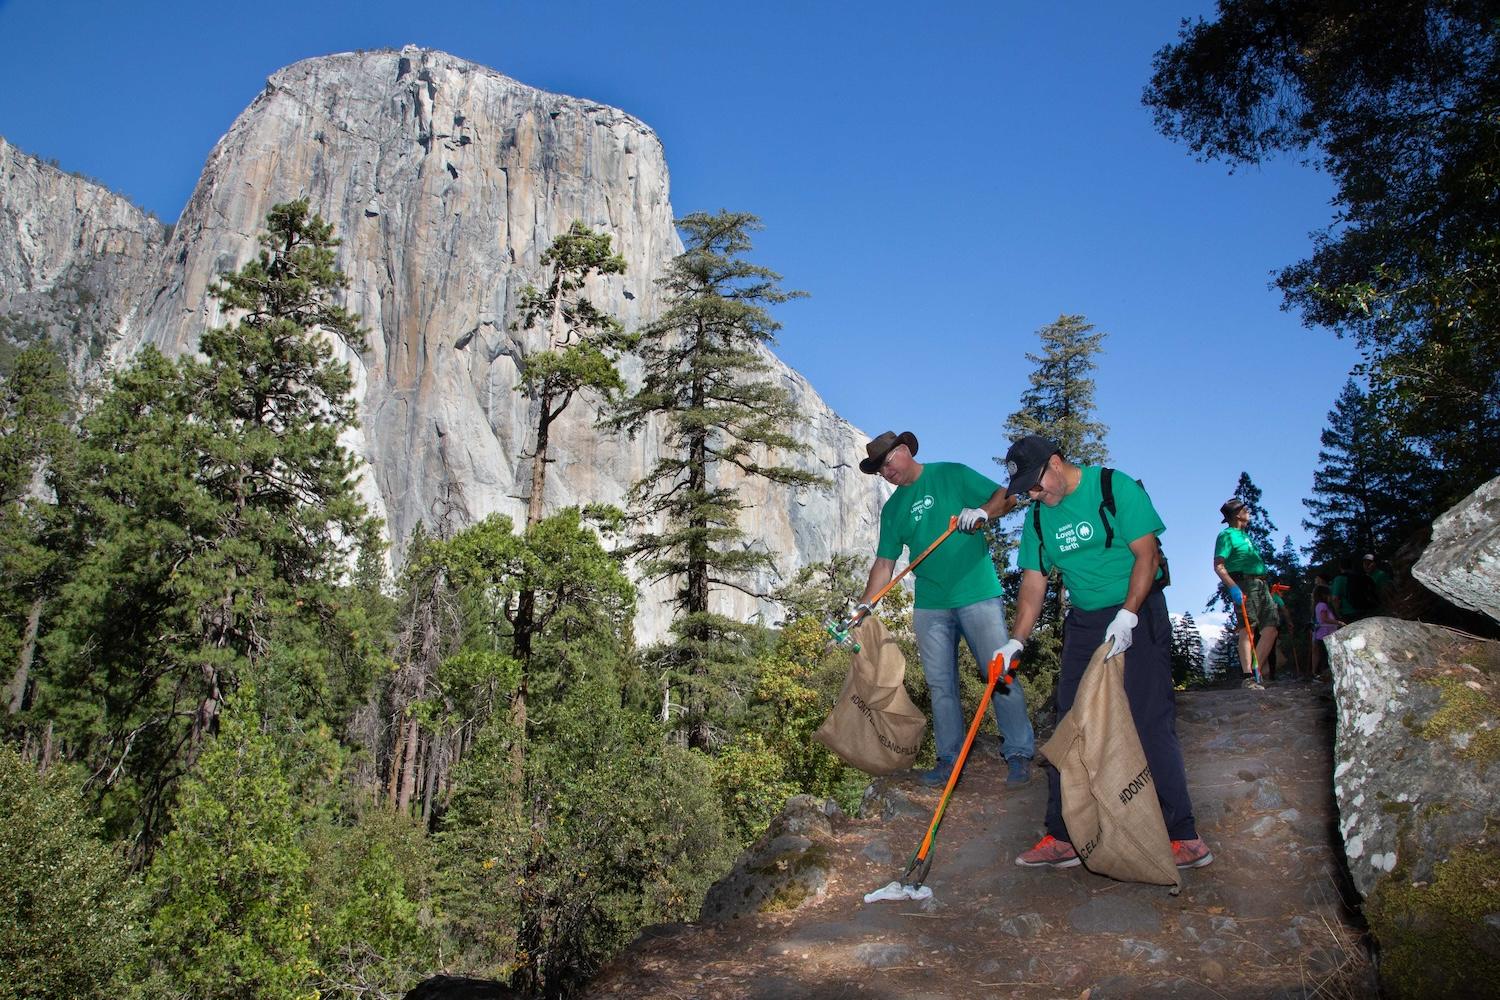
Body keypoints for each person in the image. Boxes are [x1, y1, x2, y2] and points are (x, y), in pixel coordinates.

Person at [1001, 434, 1211, 871]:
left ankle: (1183, 834)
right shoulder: (1038, 518)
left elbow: (1146, 555)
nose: (1033, 495)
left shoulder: (1114, 488)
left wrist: (1129, 614)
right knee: (1070, 722)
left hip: (1139, 609)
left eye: (1036, 484)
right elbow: (1034, 584)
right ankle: (1063, 835)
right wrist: (1015, 640)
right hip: (1085, 621)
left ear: (1055, 463)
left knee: (1149, 718)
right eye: (1026, 490)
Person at [856, 430, 1036, 787]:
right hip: (930, 604)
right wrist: (864, 605)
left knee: (999, 673)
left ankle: (1019, 752)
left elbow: (1008, 497)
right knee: (940, 685)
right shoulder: (893, 510)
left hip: (977, 593)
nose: (887, 473)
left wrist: (983, 512)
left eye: (888, 463)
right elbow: (884, 564)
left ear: (905, 451)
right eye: (881, 471)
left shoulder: (951, 474)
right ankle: (949, 760)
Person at [1212, 498, 1276, 689]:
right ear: (1237, 515)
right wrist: (1233, 587)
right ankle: (1248, 676)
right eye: (1244, 509)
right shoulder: (1226, 535)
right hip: (1244, 583)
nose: (1248, 511)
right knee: (1248, 629)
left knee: (1271, 628)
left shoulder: (1245, 535)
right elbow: (1218, 565)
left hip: (1261, 584)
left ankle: (1257, 670)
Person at [1310, 583, 1344, 680]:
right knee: (1325, 655)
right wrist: (1338, 622)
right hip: (1325, 633)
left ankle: (1321, 674)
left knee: (1322, 654)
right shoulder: (1323, 605)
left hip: (1323, 632)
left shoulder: (1318, 605)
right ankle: (1324, 675)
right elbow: (1324, 619)